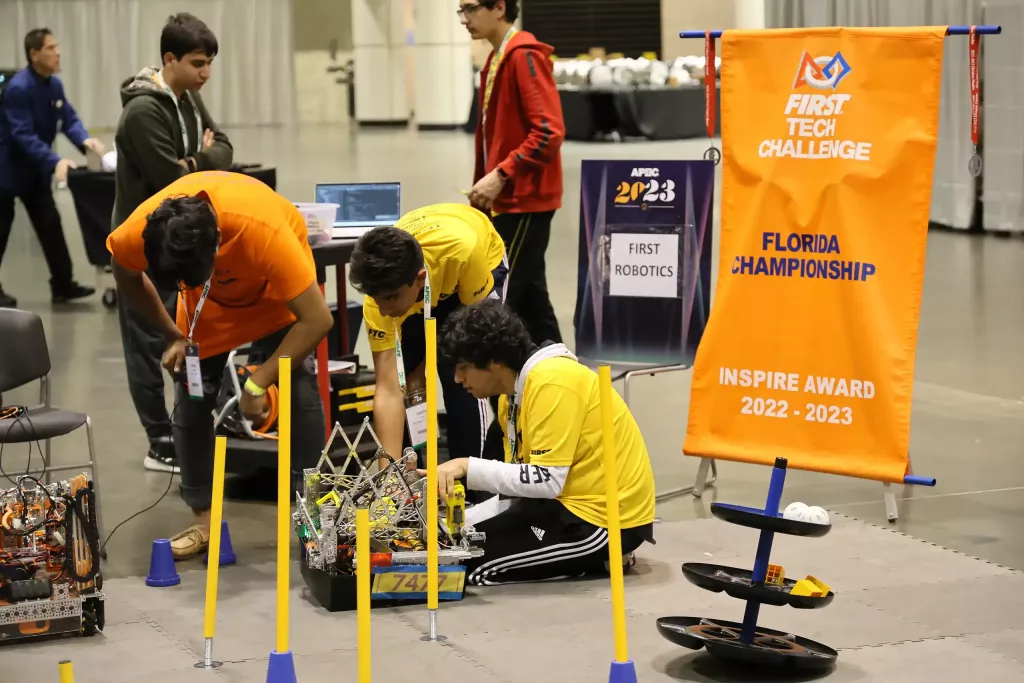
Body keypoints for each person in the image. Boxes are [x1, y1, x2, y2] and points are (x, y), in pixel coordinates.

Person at [106, 171, 333, 560]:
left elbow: (317, 320)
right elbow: (125, 275)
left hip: (278, 302)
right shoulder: (143, 229)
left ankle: (314, 519)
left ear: (217, 248)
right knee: (191, 396)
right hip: (206, 310)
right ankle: (203, 521)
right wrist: (171, 333)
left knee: (297, 391)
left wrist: (259, 383)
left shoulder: (262, 231)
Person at [425, 299, 656, 585]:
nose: (458, 379)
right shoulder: (511, 395)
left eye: (464, 367)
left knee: (468, 570)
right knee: (452, 545)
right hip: (560, 505)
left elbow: (547, 480)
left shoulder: (552, 381)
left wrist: (466, 467)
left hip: (603, 521)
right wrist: (462, 521)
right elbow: (523, 485)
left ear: (494, 360)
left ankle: (597, 558)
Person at [112, 12, 233, 474]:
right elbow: (169, 180)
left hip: (178, 241)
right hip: (140, 247)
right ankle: (158, 439)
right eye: (198, 63)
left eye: (209, 64)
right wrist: (197, 164)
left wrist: (196, 160)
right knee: (147, 341)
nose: (206, 73)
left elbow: (223, 147)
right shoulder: (144, 111)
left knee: (189, 336)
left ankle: (191, 428)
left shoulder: (187, 98)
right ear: (169, 59)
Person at [348, 203, 507, 469]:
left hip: (473, 267)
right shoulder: (379, 302)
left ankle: (467, 485)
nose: (385, 310)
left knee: (462, 373)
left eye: (390, 298)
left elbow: (480, 349)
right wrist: (388, 473)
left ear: (419, 279)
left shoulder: (463, 254)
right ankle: (409, 475)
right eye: (378, 300)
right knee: (408, 378)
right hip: (428, 281)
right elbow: (387, 389)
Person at [461, 0, 565, 347]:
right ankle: (562, 378)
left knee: (499, 301)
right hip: (507, 200)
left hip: (524, 202)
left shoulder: (524, 56)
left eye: (471, 8)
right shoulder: (496, 59)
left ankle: (489, 393)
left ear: (499, 7)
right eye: (460, 10)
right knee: (533, 303)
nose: (464, 19)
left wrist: (501, 174)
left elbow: (549, 131)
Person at [0, 28, 102, 307]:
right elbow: (22, 135)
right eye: (50, 48)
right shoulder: (19, 89)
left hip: (35, 172)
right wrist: (55, 160)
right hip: (7, 172)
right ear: (34, 54)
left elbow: (68, 119)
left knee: (50, 226)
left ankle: (63, 284)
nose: (57, 52)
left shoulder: (53, 85)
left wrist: (85, 142)